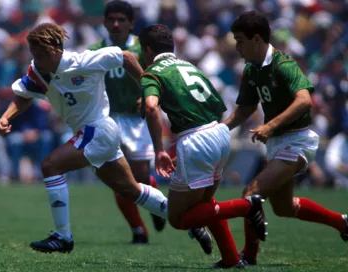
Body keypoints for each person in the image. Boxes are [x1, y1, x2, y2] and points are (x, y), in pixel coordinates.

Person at [0, 23, 174, 254]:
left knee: (50, 165)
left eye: (43, 54)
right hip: (91, 135)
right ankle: (189, 220)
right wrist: (6, 116)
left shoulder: (83, 61)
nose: (38, 59)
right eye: (34, 54)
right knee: (131, 190)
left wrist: (146, 88)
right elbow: (24, 95)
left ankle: (62, 237)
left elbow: (126, 56)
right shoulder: (38, 70)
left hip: (98, 129)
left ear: (58, 49)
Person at [224, 11, 348, 265]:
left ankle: (248, 257)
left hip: (298, 139)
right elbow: (245, 109)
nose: (236, 46)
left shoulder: (283, 64)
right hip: (278, 142)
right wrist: (219, 130)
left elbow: (304, 101)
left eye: (239, 40)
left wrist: (270, 125)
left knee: (252, 192)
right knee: (283, 208)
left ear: (256, 39)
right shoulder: (251, 70)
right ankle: (342, 223)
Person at [139, 24, 267, 269]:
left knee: (178, 218)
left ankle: (247, 206)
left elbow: (151, 107)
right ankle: (231, 259)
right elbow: (218, 105)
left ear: (147, 49)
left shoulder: (152, 72)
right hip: (218, 133)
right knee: (204, 206)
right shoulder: (190, 66)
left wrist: (160, 150)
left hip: (195, 139)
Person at [88, 0, 165, 244]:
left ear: (131, 23)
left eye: (121, 19)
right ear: (104, 22)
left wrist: (150, 97)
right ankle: (138, 231)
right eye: (111, 19)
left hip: (137, 120)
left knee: (140, 177)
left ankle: (156, 203)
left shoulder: (143, 49)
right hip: (107, 120)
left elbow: (160, 76)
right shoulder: (95, 50)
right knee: (118, 178)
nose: (115, 24)